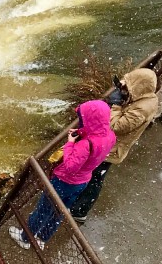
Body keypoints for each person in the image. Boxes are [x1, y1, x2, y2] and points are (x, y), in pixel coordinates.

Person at [9, 99, 116, 250]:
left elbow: (71, 166)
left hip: (64, 181)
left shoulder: (85, 145)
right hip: (83, 181)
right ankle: (42, 238)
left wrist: (70, 144)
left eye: (83, 118)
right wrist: (81, 132)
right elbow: (95, 140)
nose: (80, 120)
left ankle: (25, 238)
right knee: (60, 211)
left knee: (44, 209)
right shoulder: (110, 136)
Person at [68, 68, 159, 222]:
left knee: (94, 179)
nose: (121, 90)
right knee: (93, 176)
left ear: (137, 87)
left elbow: (115, 125)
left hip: (111, 150)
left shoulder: (142, 109)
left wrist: (115, 105)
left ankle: (80, 210)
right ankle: (78, 205)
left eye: (125, 88)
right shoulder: (143, 99)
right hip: (109, 146)